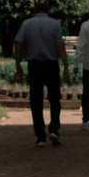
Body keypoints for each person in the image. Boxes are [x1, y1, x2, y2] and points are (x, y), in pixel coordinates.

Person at [12, 8, 69, 147]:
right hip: (51, 65)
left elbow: (19, 44)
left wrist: (18, 63)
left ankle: (40, 136)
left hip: (34, 65)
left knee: (36, 100)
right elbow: (60, 45)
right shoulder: (55, 24)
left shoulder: (27, 24)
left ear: (34, 11)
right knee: (55, 98)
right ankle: (54, 128)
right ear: (48, 11)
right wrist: (66, 66)